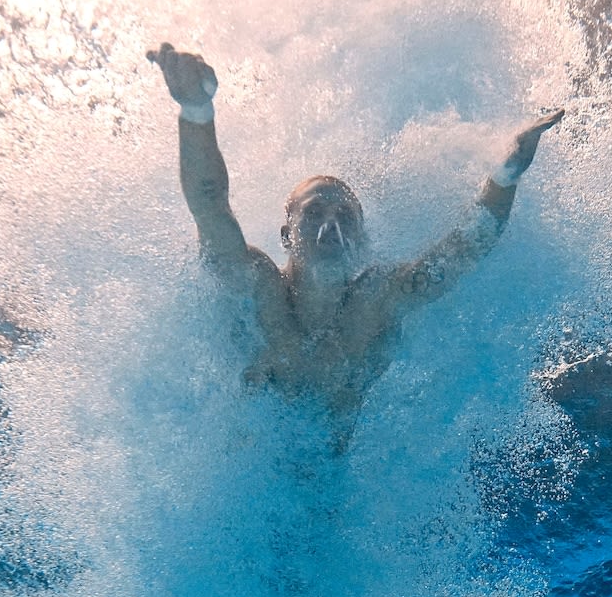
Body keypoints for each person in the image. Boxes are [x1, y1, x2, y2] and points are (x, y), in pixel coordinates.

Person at [148, 42, 563, 437]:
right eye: (313, 214)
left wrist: (505, 175)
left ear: (362, 241)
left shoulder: (375, 302)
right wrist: (197, 111)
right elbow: (210, 208)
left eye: (346, 216)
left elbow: (466, 250)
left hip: (328, 504)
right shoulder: (258, 291)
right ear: (287, 237)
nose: (332, 225)